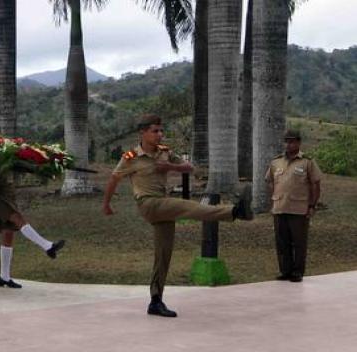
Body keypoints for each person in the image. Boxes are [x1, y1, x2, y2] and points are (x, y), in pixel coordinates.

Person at [102, 114, 254, 318]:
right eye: (155, 131)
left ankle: (155, 301)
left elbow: (190, 168)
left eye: (161, 131)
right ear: (143, 133)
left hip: (163, 206)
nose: (160, 134)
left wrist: (171, 167)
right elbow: (114, 179)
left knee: (163, 255)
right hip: (148, 204)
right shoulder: (131, 157)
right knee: (187, 207)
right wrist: (106, 204)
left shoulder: (165, 153)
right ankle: (235, 211)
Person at [0, 126, 65, 289]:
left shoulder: (5, 151)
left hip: (7, 194)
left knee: (8, 234)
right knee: (18, 219)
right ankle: (47, 246)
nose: (0, 138)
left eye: (0, 135)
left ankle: (4, 277)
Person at [266, 130, 322, 283]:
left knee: (299, 242)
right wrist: (275, 197)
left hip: (299, 209)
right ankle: (285, 271)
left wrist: (312, 205)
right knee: (281, 242)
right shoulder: (276, 162)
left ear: (298, 143)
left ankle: (297, 272)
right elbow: (270, 181)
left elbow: (315, 184)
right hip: (279, 207)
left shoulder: (307, 162)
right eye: (286, 141)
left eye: (291, 141)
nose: (288, 144)